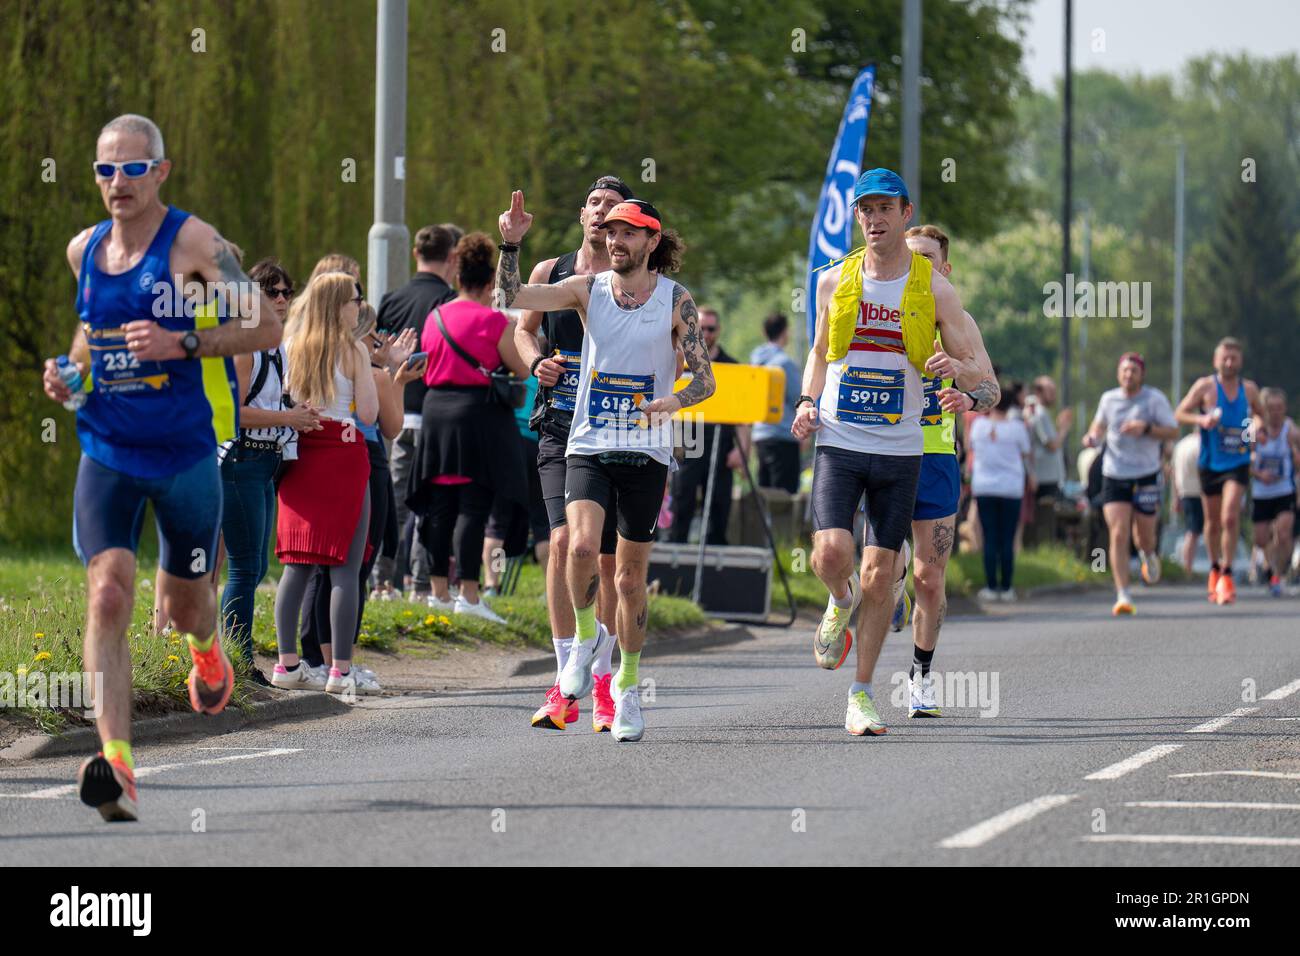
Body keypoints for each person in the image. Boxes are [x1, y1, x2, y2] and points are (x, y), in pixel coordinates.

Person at [41, 114, 282, 821]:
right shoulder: (84, 251)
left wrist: (183, 341)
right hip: (107, 452)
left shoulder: (195, 246)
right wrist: (69, 379)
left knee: (184, 605)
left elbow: (265, 327)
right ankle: (116, 764)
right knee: (109, 595)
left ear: (161, 172)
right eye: (105, 170)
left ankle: (208, 652)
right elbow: (90, 337)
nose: (118, 182)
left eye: (133, 169)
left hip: (182, 457)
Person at [496, 192, 716, 742]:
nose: (615, 241)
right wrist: (511, 244)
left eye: (628, 233)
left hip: (646, 451)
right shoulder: (586, 290)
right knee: (577, 546)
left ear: (652, 242)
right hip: (588, 442)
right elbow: (512, 297)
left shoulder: (675, 300)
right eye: (611, 232)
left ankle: (628, 688)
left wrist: (675, 402)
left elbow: (706, 379)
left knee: (630, 578)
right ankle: (583, 647)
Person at [792, 168, 983, 737]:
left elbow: (978, 365)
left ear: (905, 212)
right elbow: (821, 352)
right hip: (841, 438)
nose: (874, 220)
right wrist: (806, 399)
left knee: (884, 573)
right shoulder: (834, 281)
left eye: (884, 209)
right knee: (830, 554)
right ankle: (837, 598)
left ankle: (862, 691)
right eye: (865, 210)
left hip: (903, 449)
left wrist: (958, 369)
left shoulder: (934, 290)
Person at [513, 176, 632, 732]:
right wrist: (536, 360)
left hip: (617, 431)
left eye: (611, 207)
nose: (599, 213)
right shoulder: (550, 272)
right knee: (563, 541)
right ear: (582, 214)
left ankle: (605, 683)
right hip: (561, 425)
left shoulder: (631, 282)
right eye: (592, 204)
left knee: (605, 563)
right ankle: (566, 681)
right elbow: (520, 329)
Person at [889, 224, 999, 717]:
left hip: (935, 457)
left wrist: (967, 389)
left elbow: (991, 388)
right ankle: (877, 592)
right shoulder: (880, 312)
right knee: (883, 567)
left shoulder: (958, 321)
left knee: (930, 578)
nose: (920, 267)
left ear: (945, 268)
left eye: (929, 259)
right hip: (885, 450)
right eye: (912, 258)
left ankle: (920, 678)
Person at [408, 232, 530, 622]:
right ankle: (471, 596)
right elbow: (521, 368)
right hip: (477, 416)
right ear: (491, 280)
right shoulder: (495, 321)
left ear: (457, 276)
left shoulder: (435, 316)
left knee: (440, 505)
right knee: (472, 508)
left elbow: (425, 363)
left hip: (436, 414)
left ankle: (437, 592)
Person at [271, 272, 379, 697]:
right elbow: (368, 413)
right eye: (356, 298)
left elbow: (282, 399)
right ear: (339, 305)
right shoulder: (352, 349)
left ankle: (286, 664)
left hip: (300, 452)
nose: (359, 305)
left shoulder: (289, 345)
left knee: (295, 565)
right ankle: (340, 670)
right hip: (343, 454)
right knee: (345, 570)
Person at [217, 258, 318, 686]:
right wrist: (288, 419)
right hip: (240, 460)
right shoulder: (247, 346)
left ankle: (235, 657)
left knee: (255, 567)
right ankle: (235, 663)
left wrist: (294, 416)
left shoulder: (274, 346)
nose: (280, 299)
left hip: (263, 461)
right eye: (270, 291)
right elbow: (233, 412)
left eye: (285, 291)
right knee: (243, 567)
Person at [375, 224, 463, 600]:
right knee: (430, 503)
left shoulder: (391, 299)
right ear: (453, 257)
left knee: (391, 505)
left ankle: (380, 581)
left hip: (396, 412)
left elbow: (377, 356)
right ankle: (421, 583)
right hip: (435, 415)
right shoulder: (449, 302)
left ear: (415, 254)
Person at [1083, 352, 1179, 615]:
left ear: (1141, 375)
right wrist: (1092, 437)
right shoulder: (1108, 399)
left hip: (1146, 473)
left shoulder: (1154, 399)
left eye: (1133, 371)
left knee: (1144, 536)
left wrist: (1146, 428)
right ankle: (1123, 594)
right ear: (1118, 373)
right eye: (1124, 370)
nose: (1128, 375)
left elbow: (1173, 431)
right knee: (1118, 532)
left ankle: (1148, 554)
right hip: (1114, 473)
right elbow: (1097, 427)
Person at [1175, 337, 1264, 605]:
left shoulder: (1249, 389)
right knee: (1211, 523)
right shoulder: (1205, 386)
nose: (1229, 362)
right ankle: (1214, 568)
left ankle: (1227, 572)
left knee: (1229, 517)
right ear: (1216, 360)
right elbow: (1179, 413)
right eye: (1224, 357)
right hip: (1210, 462)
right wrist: (1200, 419)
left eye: (1234, 357)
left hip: (1238, 461)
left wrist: (1254, 429)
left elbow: (1258, 415)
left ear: (1240, 361)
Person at [668, 307, 747, 545]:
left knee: (719, 511)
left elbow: (743, 414)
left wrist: (742, 449)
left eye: (710, 329)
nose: (706, 333)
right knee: (681, 508)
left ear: (718, 330)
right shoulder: (680, 364)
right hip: (686, 446)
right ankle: (675, 568)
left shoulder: (732, 366)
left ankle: (716, 573)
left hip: (720, 448)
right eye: (701, 328)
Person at [481, 372, 551, 595]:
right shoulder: (548, 373)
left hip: (508, 443)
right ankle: (552, 590)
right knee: (543, 524)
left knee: (498, 522)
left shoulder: (512, 370)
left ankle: (493, 584)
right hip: (540, 447)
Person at [968, 392, 1033, 601]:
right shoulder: (1017, 428)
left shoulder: (979, 426)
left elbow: (971, 447)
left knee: (990, 538)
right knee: (1007, 538)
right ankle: (1006, 588)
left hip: (984, 486)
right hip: (1011, 488)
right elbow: (1025, 452)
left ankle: (990, 586)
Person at [1250, 387, 1299, 596]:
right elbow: (1239, 459)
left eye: (1280, 408)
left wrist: (1295, 451)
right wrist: (1258, 474)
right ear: (1263, 409)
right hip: (1261, 492)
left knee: (1283, 532)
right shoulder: (1251, 428)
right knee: (1261, 539)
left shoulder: (1291, 429)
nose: (1276, 412)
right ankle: (1270, 569)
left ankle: (1279, 574)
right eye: (1271, 408)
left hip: (1284, 489)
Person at [750, 313, 803, 493]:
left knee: (764, 493)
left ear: (765, 332)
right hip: (783, 436)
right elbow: (799, 398)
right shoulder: (785, 363)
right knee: (784, 495)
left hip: (760, 435)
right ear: (785, 332)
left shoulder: (754, 362)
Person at [1171, 431, 1203, 574]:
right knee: (1196, 531)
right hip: (1201, 491)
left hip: (1184, 491)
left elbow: (1174, 472)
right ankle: (1188, 568)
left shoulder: (1181, 444)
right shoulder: (1202, 444)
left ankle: (1186, 568)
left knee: (1191, 531)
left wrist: (1176, 498)